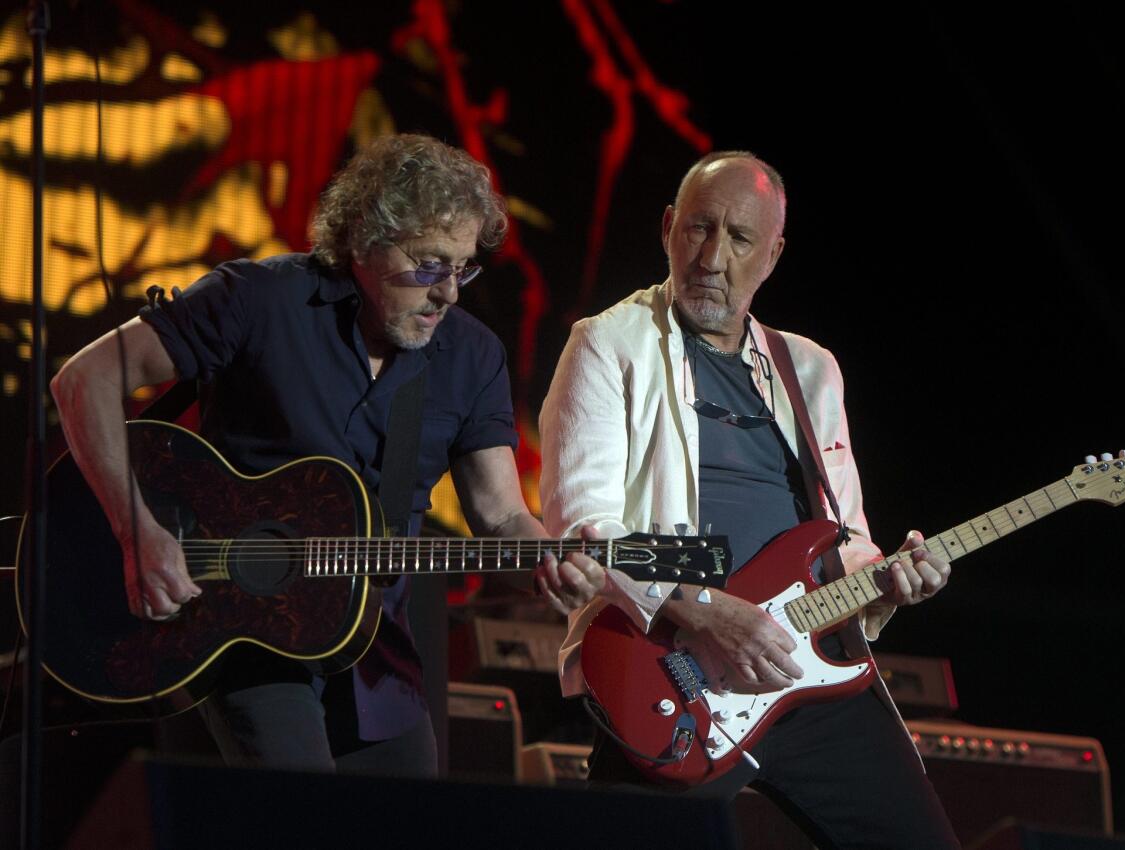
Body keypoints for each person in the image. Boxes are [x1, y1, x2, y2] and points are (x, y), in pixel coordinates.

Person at [48, 133, 605, 776]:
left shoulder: (472, 356)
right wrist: (137, 532)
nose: (449, 292)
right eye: (429, 265)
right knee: (306, 823)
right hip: (239, 632)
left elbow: (504, 518)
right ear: (366, 240)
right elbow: (81, 381)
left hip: (375, 652)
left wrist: (546, 562)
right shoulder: (257, 300)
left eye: (463, 267)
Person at [539, 151, 961, 848]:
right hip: (674, 667)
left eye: (738, 239)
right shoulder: (607, 344)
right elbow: (585, 528)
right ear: (669, 227)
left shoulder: (812, 369)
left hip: (813, 671)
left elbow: (844, 536)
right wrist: (703, 611)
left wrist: (887, 580)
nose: (711, 257)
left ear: (773, 254)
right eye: (699, 229)